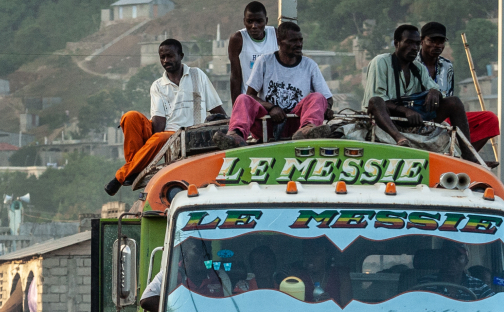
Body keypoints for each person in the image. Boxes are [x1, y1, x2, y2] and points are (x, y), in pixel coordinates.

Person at [105, 39, 225, 196]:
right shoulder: (158, 85)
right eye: (162, 57)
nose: (166, 61)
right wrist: (153, 139)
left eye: (170, 56)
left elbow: (217, 109)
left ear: (181, 56)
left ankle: (123, 175)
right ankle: (133, 168)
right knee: (130, 117)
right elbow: (158, 125)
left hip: (189, 134)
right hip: (164, 134)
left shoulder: (197, 76)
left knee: (161, 139)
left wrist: (228, 126)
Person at [363, 25, 480, 163]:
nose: (414, 47)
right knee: (376, 101)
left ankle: (469, 155)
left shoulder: (419, 68)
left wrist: (434, 91)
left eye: (417, 44)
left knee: (454, 102)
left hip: (413, 121)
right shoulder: (381, 62)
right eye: (409, 42)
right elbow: (378, 99)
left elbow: (435, 88)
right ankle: (399, 138)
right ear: (396, 43)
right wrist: (405, 111)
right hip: (386, 119)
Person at [218, 22, 334, 147]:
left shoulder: (310, 65)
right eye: (293, 41)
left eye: (300, 40)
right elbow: (251, 95)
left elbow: (327, 99)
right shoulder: (264, 61)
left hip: (297, 125)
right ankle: (236, 135)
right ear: (279, 41)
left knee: (317, 97)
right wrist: (271, 107)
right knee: (243, 98)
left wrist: (326, 109)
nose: (299, 44)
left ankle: (307, 130)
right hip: (267, 125)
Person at [416, 22, 500, 152]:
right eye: (432, 41)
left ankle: (467, 157)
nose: (437, 45)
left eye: (441, 42)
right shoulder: (412, 62)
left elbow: (448, 97)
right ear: (422, 41)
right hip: (419, 114)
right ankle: (465, 155)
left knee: (490, 119)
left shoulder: (447, 65)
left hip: (443, 115)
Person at [227, 1, 278, 102]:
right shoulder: (238, 39)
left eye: (259, 21)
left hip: (273, 101)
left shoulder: (275, 34)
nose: (254, 26)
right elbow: (235, 76)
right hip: (249, 100)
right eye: (249, 21)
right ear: (244, 21)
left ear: (266, 21)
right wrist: (236, 107)